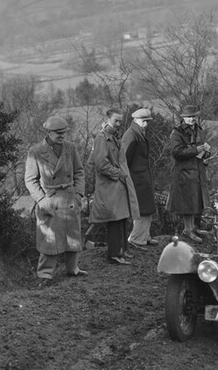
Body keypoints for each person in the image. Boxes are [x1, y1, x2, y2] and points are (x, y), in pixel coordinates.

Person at [23, 115, 87, 287]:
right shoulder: (35, 151)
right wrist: (42, 200)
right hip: (50, 201)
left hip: (69, 198)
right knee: (49, 240)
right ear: (48, 132)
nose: (61, 136)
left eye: (64, 132)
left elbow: (79, 172)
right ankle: (45, 275)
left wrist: (79, 194)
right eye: (58, 133)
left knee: (73, 237)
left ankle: (73, 269)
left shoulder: (70, 148)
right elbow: (30, 180)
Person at [89, 108, 140, 264]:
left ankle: (123, 251)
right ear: (107, 120)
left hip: (118, 185)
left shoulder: (113, 137)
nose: (118, 124)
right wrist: (118, 173)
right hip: (110, 186)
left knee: (122, 218)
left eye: (120, 121)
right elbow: (100, 164)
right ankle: (114, 255)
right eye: (115, 121)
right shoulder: (102, 138)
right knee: (115, 220)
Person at [166, 104, 211, 243]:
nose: (192, 119)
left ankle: (192, 227)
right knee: (187, 202)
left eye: (193, 116)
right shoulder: (177, 133)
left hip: (197, 169)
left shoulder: (198, 130)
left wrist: (206, 153)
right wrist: (196, 150)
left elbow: (200, 148)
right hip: (184, 172)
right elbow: (177, 153)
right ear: (184, 118)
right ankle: (188, 229)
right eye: (189, 117)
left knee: (195, 200)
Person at [121, 107, 159, 249]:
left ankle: (144, 236)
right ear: (136, 120)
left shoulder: (138, 133)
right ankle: (136, 238)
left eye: (147, 121)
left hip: (142, 177)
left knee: (147, 208)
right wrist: (127, 177)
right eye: (144, 121)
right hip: (136, 179)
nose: (146, 124)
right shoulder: (131, 135)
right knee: (141, 209)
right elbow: (124, 159)